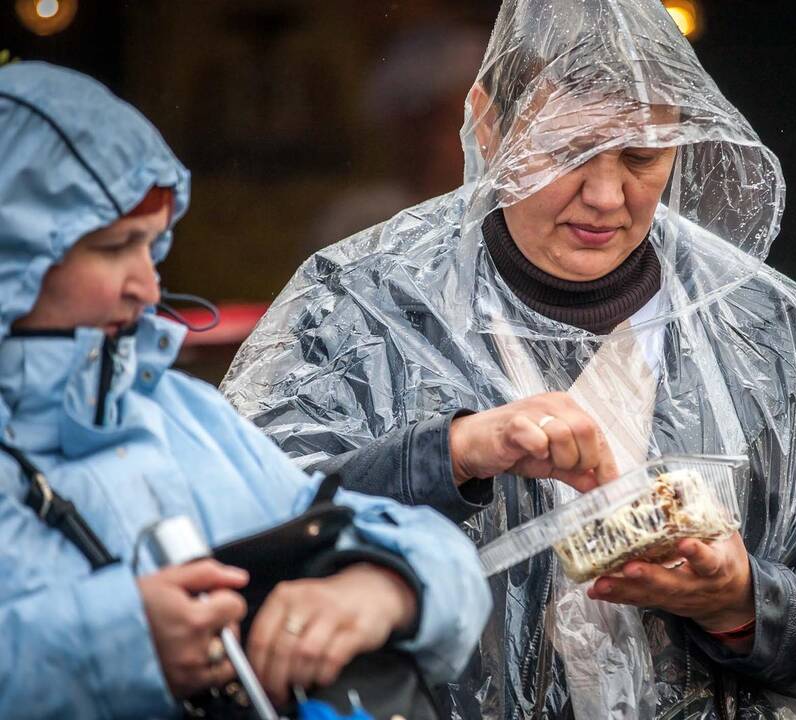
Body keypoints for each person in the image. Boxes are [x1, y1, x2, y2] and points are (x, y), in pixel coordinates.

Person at [222, 1, 796, 718]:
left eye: (643, 155)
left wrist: (741, 603)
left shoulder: (767, 335)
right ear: (487, 121)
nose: (607, 196)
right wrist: (453, 452)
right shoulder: (360, 307)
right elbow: (244, 531)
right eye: (567, 152)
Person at [0, 61, 491, 719]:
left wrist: (382, 588)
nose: (148, 287)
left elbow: (408, 542)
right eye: (116, 247)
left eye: (152, 247)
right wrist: (119, 643)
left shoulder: (185, 416)